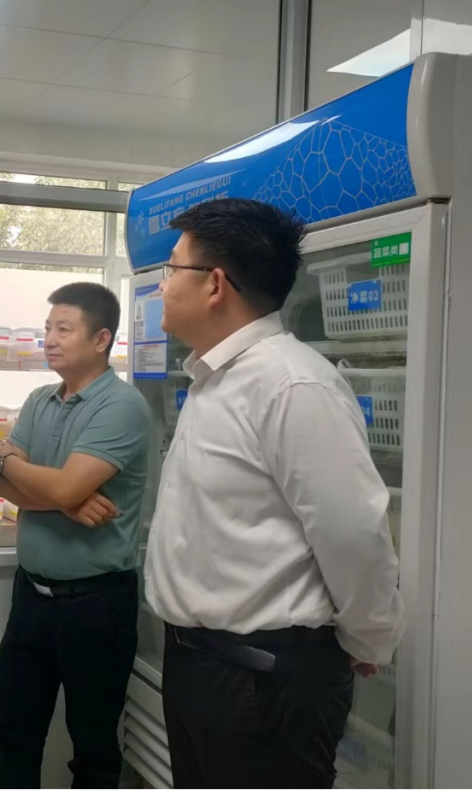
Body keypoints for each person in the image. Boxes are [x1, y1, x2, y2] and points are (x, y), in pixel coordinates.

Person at [144, 198, 406, 790]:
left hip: (261, 680)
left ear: (215, 284)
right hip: (201, 665)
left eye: (172, 268)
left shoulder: (293, 384)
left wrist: (369, 637)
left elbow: (352, 534)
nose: (162, 285)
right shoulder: (214, 378)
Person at [0, 282, 150, 790]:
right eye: (47, 329)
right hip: (30, 598)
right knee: (13, 735)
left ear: (101, 339)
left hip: (96, 605)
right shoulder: (40, 399)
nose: (50, 339)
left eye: (64, 329)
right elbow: (2, 486)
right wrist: (63, 497)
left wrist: (12, 462)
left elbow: (34, 478)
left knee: (93, 747)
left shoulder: (121, 405)